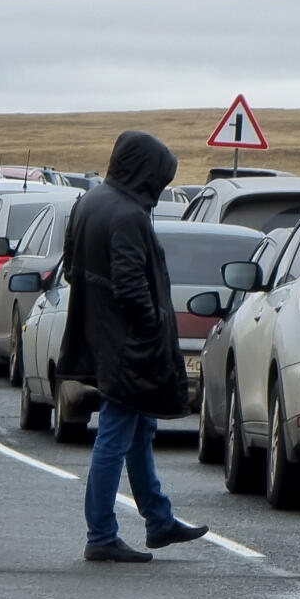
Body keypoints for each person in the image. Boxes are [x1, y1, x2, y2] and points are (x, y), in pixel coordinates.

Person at [56, 130, 208, 563]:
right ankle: (101, 533)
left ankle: (159, 520)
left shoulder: (90, 201)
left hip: (101, 336)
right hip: (127, 344)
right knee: (116, 433)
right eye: (159, 176)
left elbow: (71, 267)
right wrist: (153, 322)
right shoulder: (128, 215)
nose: (159, 186)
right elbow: (129, 284)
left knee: (139, 429)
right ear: (144, 171)